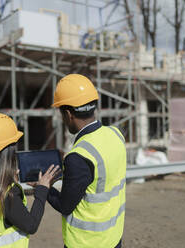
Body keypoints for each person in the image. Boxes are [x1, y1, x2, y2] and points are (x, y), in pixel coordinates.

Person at [47, 74, 127, 248]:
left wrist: (44, 188)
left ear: (68, 114)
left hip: (87, 243)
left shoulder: (79, 157)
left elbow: (65, 205)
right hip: (113, 237)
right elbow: (97, 175)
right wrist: (68, 165)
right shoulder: (116, 134)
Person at [0, 113, 60, 248]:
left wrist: (7, 177)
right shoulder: (7, 193)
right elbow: (31, 225)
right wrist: (42, 190)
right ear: (8, 151)